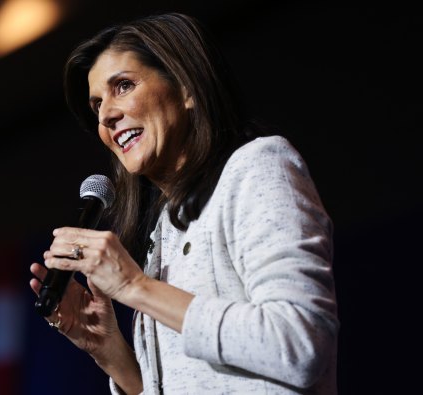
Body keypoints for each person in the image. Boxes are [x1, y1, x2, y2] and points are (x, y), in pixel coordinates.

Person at [30, 12, 339, 394]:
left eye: (123, 86)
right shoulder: (166, 231)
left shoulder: (257, 166)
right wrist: (109, 351)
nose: (107, 115)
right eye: (96, 106)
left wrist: (134, 286)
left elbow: (301, 345)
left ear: (187, 88)